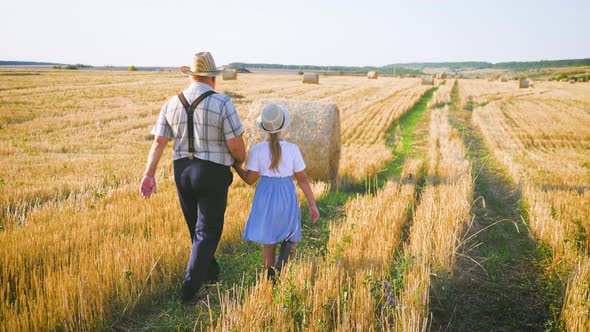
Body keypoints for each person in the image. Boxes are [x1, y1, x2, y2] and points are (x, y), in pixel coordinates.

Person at [140, 52, 246, 302]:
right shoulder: (222, 103)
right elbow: (236, 145)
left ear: (191, 76)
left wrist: (149, 174)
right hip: (211, 171)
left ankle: (210, 272)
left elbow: (158, 142)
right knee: (208, 230)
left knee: (195, 227)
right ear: (212, 78)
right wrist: (242, 163)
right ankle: (189, 289)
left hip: (182, 172)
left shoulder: (171, 103)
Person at [232, 103, 320, 280]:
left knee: (268, 241)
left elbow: (250, 180)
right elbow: (302, 179)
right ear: (283, 127)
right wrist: (312, 204)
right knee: (290, 236)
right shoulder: (292, 149)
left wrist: (236, 166)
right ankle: (281, 264)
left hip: (265, 196)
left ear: (263, 128)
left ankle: (270, 276)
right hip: (286, 194)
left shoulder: (257, 149)